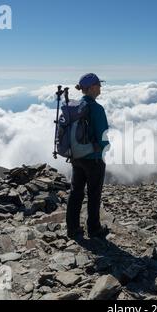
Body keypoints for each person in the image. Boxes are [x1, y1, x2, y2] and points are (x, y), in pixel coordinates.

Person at [66, 73, 110, 240]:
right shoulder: (96, 109)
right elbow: (103, 135)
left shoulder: (75, 106)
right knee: (94, 194)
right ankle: (94, 229)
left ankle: (73, 229)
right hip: (94, 158)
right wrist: (105, 148)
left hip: (76, 156)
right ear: (91, 88)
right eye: (99, 84)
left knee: (76, 191)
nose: (100, 87)